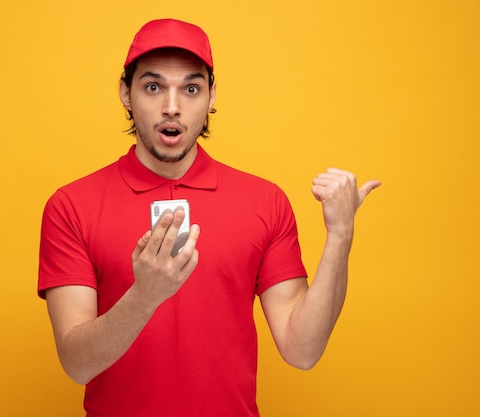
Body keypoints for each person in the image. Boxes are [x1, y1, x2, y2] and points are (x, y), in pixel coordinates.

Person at [38, 18, 380, 417]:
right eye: (153, 87)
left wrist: (340, 237)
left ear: (212, 95)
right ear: (125, 94)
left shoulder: (264, 202)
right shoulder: (71, 206)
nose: (172, 106)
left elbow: (302, 350)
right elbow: (77, 364)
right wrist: (144, 297)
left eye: (191, 88)